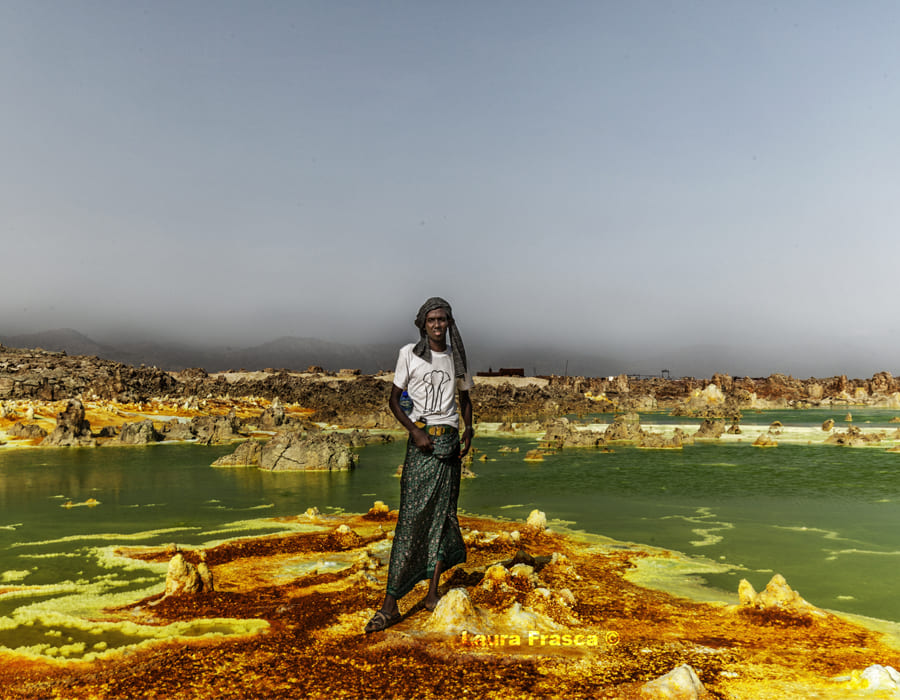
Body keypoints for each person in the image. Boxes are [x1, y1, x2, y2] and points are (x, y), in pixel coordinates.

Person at [364, 297, 474, 633]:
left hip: (449, 445)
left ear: (449, 322)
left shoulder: (457, 358)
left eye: (443, 319)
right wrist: (414, 431)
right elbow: (393, 400)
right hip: (422, 444)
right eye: (432, 320)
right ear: (422, 324)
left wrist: (470, 430)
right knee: (410, 521)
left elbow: (466, 399)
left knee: (443, 518)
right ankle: (390, 604)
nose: (438, 325)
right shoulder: (409, 355)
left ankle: (431, 595)